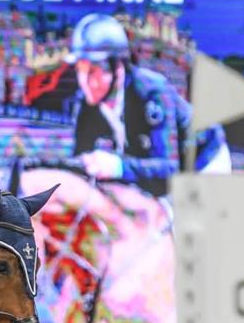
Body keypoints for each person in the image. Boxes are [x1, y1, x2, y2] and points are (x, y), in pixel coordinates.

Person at [67, 13, 229, 196]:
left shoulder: (152, 92)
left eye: (93, 71)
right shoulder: (85, 102)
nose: (85, 82)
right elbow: (79, 161)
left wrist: (117, 166)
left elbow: (169, 168)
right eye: (80, 70)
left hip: (203, 160)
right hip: (155, 163)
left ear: (118, 67)